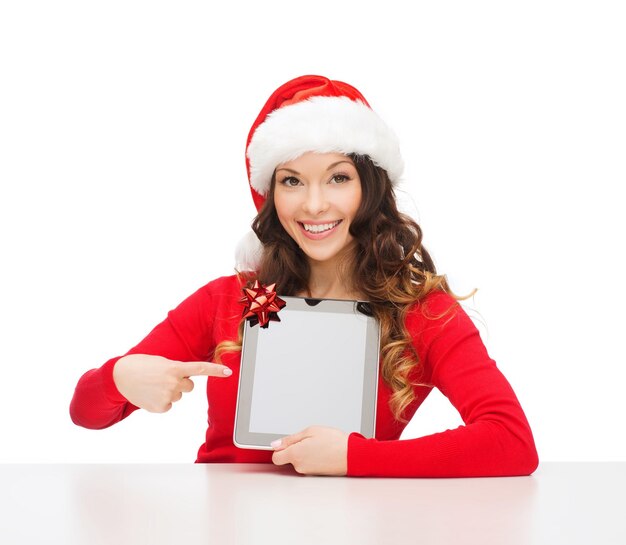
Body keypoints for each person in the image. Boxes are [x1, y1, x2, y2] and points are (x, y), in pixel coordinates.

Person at [70, 74, 539, 477]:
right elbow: (85, 414)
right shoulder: (229, 299)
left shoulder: (421, 311)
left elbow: (511, 441)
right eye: (292, 180)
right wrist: (119, 378)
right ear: (270, 194)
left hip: (358, 527)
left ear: (370, 188)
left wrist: (356, 458)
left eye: (338, 177)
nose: (314, 205)